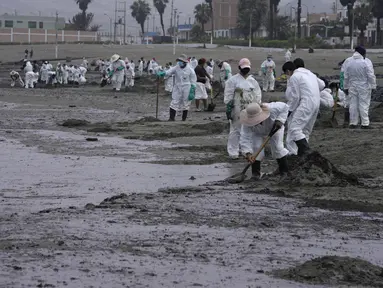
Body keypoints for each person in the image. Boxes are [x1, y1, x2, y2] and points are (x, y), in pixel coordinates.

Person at [283, 59, 324, 156]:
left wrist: (289, 110)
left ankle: (304, 152)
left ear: (288, 71)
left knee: (294, 129)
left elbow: (295, 97)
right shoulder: (310, 74)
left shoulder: (294, 77)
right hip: (316, 103)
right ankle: (301, 156)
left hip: (306, 103)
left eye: (286, 74)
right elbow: (322, 85)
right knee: (305, 131)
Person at [240, 102, 290, 181]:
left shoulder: (272, 108)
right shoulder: (246, 122)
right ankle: (255, 174)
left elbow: (285, 107)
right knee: (256, 148)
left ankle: (284, 172)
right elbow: (244, 137)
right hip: (257, 133)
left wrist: (280, 120)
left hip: (275, 128)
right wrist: (247, 153)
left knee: (278, 147)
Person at [224, 58, 262, 159]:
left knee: (249, 130)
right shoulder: (232, 80)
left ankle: (246, 151)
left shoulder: (253, 81)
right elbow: (228, 96)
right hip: (236, 109)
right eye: (244, 68)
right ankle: (233, 152)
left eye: (247, 68)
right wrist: (229, 108)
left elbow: (257, 96)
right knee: (235, 130)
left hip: (250, 109)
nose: (246, 70)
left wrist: (257, 107)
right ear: (239, 67)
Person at [343, 46, 376, 129]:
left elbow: (345, 76)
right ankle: (365, 123)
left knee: (353, 104)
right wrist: (373, 86)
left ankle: (353, 123)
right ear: (363, 53)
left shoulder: (349, 62)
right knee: (364, 104)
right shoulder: (366, 62)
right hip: (364, 86)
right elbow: (370, 75)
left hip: (352, 86)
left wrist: (345, 87)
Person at [157, 54, 197, 121]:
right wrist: (163, 73)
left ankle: (183, 119)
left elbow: (193, 80)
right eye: (179, 61)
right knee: (174, 101)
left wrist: (192, 89)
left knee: (186, 102)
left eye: (181, 61)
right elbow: (169, 72)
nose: (179, 62)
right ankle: (171, 118)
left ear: (185, 62)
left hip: (187, 87)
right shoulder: (176, 67)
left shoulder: (190, 69)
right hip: (177, 87)